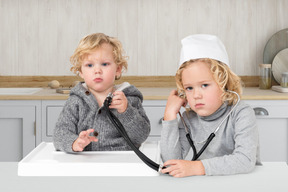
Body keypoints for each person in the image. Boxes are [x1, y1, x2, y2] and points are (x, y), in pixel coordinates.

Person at [160, 34, 261, 177]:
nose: (196, 95)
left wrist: (197, 167)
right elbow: (171, 162)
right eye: (189, 88)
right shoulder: (188, 118)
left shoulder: (241, 113)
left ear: (224, 83)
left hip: (242, 183)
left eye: (204, 85)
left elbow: (245, 160)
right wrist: (169, 115)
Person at [53, 33, 150, 152]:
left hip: (122, 162)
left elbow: (141, 135)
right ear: (81, 72)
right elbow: (60, 133)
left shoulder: (128, 99)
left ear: (118, 70)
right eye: (89, 65)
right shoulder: (76, 101)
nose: (97, 70)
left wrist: (126, 111)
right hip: (85, 163)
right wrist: (75, 143)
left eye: (104, 64)